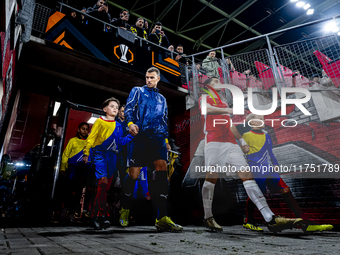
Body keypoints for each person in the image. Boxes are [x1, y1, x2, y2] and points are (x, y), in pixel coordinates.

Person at [199, 77, 302, 233]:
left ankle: (270, 218)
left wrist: (241, 140)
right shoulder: (205, 97)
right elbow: (206, 109)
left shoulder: (224, 101)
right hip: (214, 140)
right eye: (216, 81)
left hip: (231, 143)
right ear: (208, 85)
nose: (220, 83)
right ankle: (208, 217)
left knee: (247, 176)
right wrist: (228, 110)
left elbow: (230, 124)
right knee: (211, 178)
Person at [242, 113, 334, 233]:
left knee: (285, 190)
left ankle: (306, 224)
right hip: (256, 169)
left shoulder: (267, 135)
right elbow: (243, 154)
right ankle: (249, 221)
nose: (262, 120)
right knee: (257, 194)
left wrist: (275, 164)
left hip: (269, 169)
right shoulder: (246, 136)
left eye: (263, 119)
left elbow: (270, 152)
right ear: (252, 123)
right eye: (259, 119)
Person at [119, 67, 183, 232]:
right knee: (133, 173)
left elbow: (164, 120)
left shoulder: (162, 99)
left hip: (158, 139)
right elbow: (129, 108)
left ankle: (162, 217)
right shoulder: (137, 91)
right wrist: (130, 123)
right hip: (140, 137)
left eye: (152, 77)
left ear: (158, 79)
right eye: (147, 77)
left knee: (162, 169)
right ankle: (124, 209)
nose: (148, 80)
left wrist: (166, 139)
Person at [83, 97, 134, 230]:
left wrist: (132, 136)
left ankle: (95, 216)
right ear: (105, 109)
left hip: (113, 157)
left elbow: (121, 142)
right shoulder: (99, 121)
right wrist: (86, 152)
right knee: (103, 182)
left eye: (117, 107)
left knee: (104, 188)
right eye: (112, 106)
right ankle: (103, 215)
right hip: (100, 154)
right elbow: (91, 137)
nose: (115, 109)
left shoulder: (118, 126)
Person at [60, 122, 92, 222]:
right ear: (78, 129)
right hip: (72, 166)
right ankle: (65, 209)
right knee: (69, 189)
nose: (85, 131)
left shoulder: (90, 142)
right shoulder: (72, 141)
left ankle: (72, 213)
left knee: (78, 192)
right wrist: (63, 168)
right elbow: (65, 155)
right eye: (83, 129)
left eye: (87, 129)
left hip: (84, 168)